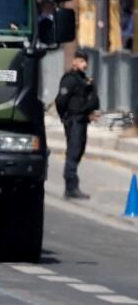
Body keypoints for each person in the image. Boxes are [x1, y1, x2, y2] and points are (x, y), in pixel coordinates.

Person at [56, 50, 100, 199]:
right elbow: (60, 101)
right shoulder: (70, 79)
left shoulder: (85, 80)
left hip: (82, 121)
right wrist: (64, 116)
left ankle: (72, 185)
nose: (85, 64)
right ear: (75, 61)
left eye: (86, 61)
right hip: (73, 120)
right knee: (73, 152)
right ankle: (71, 187)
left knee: (79, 151)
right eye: (82, 61)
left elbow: (94, 101)